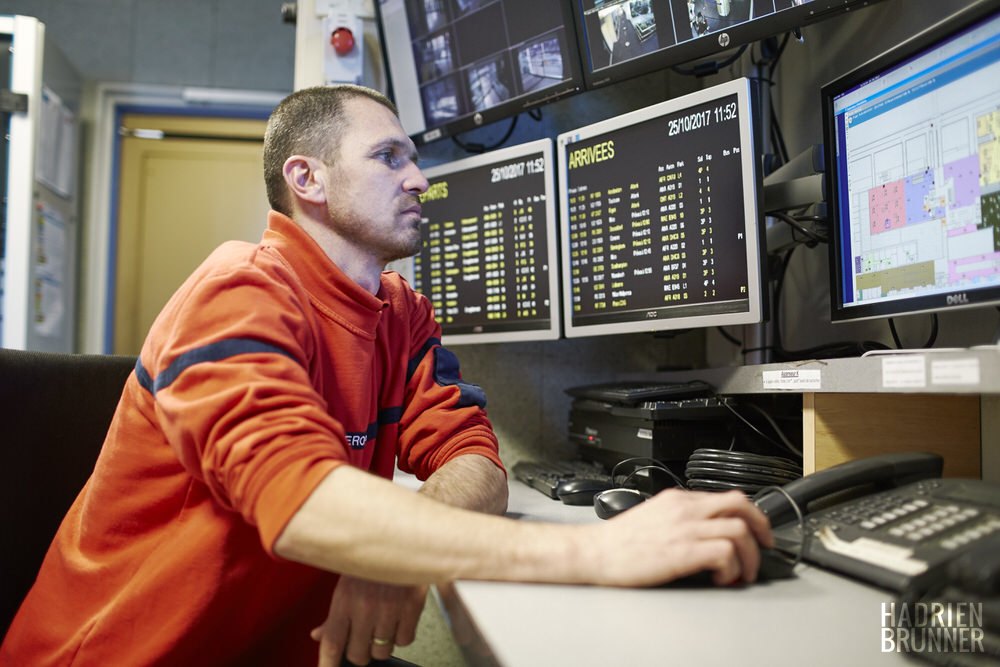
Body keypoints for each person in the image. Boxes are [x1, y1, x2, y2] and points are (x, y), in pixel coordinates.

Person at [0, 85, 773, 667]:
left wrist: (411, 547)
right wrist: (603, 553)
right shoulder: (237, 290)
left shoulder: (397, 312)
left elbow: (475, 459)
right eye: (389, 157)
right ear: (307, 178)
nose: (420, 180)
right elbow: (298, 502)